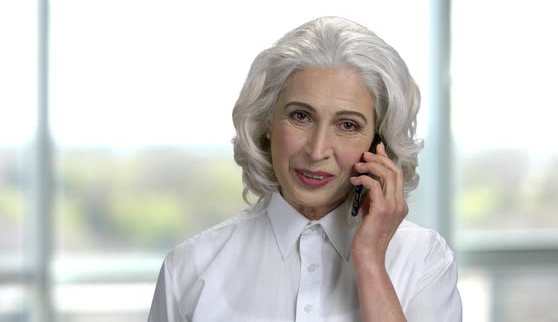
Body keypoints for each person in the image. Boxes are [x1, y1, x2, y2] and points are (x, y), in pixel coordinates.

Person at [148, 16, 462, 321]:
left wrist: (370, 262)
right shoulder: (189, 269)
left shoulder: (423, 259)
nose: (316, 150)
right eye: (301, 116)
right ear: (268, 120)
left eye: (348, 124)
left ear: (377, 143)